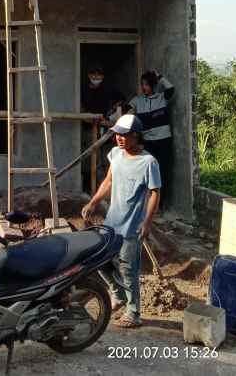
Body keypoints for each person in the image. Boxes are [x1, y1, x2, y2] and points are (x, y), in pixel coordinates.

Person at [82, 113, 161, 329]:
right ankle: (118, 295)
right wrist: (94, 202)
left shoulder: (148, 162)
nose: (119, 138)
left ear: (136, 136)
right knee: (100, 260)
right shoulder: (115, 154)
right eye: (117, 134)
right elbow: (109, 180)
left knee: (128, 269)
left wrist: (147, 223)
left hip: (131, 227)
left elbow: (155, 193)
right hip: (111, 223)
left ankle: (134, 312)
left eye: (124, 135)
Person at [128, 70, 174, 204]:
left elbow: (171, 89)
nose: (144, 87)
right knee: (148, 173)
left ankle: (160, 204)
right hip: (148, 142)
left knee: (163, 172)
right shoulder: (137, 101)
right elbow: (125, 109)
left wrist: (159, 76)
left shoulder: (162, 98)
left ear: (153, 85)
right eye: (142, 84)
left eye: (147, 84)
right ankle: (148, 203)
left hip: (164, 140)